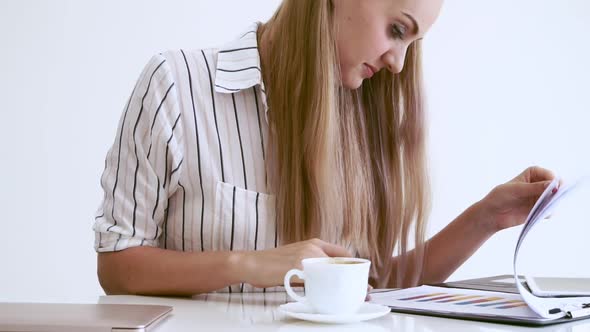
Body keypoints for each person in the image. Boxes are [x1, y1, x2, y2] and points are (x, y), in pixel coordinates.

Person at [93, 0, 555, 296]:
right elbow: (117, 268)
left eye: (413, 43)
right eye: (397, 30)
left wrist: (487, 217)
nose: (398, 64)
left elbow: (375, 284)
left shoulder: (365, 120)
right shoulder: (175, 85)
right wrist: (248, 265)